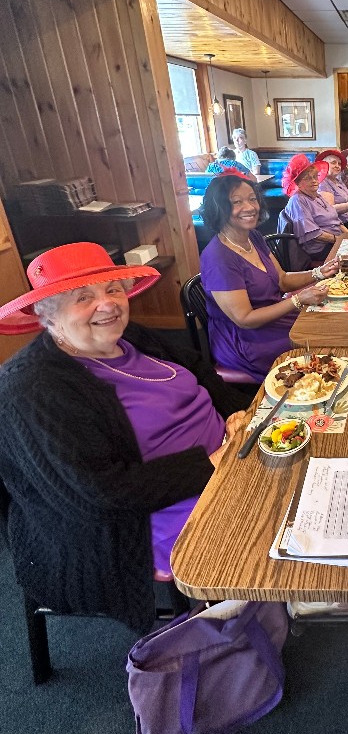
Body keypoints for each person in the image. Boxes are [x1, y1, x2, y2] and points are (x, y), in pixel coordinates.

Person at [0, 243, 254, 632]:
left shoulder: (128, 336)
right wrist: (211, 464)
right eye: (83, 298)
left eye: (113, 290)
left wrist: (236, 411)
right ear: (47, 315)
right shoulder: (32, 389)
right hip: (143, 514)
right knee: (265, 523)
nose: (107, 305)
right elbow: (102, 492)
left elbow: (196, 368)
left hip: (226, 456)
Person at [200, 173, 339, 381]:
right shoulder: (219, 258)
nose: (250, 207)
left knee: (328, 320)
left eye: (252, 198)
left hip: (273, 317)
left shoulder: (253, 237)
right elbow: (245, 319)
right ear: (219, 208)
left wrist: (319, 273)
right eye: (237, 202)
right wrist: (298, 299)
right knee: (319, 337)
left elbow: (281, 279)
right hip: (246, 339)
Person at [278, 154, 348, 262]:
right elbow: (313, 234)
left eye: (315, 176)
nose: (314, 180)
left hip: (335, 240)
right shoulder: (297, 200)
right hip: (320, 250)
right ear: (297, 183)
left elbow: (336, 220)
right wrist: (339, 240)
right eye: (307, 178)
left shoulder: (317, 195)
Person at [315, 149, 348, 225]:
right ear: (324, 165)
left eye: (339, 164)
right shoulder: (323, 183)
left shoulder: (338, 181)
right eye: (333, 163)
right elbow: (331, 209)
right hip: (342, 224)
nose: (337, 166)